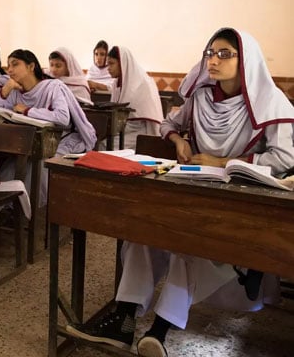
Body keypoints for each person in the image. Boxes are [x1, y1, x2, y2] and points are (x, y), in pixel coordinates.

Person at [66, 28, 294, 357]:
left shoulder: (271, 102)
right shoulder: (201, 96)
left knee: (189, 245)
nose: (213, 60)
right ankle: (124, 324)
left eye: (225, 54)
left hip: (243, 205)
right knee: (143, 235)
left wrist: (224, 160)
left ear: (246, 61)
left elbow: (285, 159)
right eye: (210, 53)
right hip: (196, 190)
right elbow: (168, 124)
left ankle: (159, 331)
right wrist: (178, 140)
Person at [0, 49, 96, 206]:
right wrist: (6, 89)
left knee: (38, 167)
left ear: (31, 66)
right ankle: (10, 210)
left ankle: (35, 211)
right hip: (32, 142)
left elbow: (62, 118)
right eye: (9, 65)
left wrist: (27, 110)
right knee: (9, 170)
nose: (10, 70)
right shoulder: (15, 90)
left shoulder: (52, 87)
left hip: (63, 140)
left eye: (15, 64)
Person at [105, 45, 163, 149]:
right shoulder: (117, 83)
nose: (108, 68)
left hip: (140, 132)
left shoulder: (143, 83)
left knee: (105, 145)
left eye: (111, 64)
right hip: (122, 129)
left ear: (123, 63)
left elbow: (151, 121)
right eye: (107, 64)